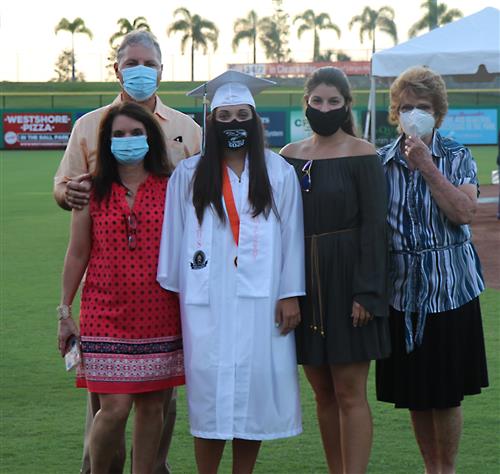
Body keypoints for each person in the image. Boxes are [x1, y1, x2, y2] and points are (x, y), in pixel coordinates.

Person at [53, 30, 200, 474]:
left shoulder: (187, 130)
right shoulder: (89, 126)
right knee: (108, 411)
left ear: (161, 69)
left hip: (161, 302)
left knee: (159, 410)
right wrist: (72, 197)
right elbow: (65, 193)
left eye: (148, 63)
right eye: (130, 63)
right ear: (116, 68)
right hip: (106, 302)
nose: (139, 71)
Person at [157, 70, 305, 474]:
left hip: (263, 302)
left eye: (242, 115)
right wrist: (176, 297)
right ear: (211, 122)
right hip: (205, 303)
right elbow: (173, 242)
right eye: (224, 117)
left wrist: (290, 292)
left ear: (255, 123)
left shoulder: (278, 173)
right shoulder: (188, 176)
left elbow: (292, 237)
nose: (233, 123)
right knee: (208, 395)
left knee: (252, 393)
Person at [375, 66, 488, 474]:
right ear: (395, 112)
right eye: (406, 107)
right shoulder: (380, 162)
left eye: (422, 107)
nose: (413, 115)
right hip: (402, 294)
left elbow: (464, 211)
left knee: (448, 394)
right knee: (417, 394)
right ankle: (431, 469)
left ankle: (448, 469)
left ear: (437, 112)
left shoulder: (456, 155)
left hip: (450, 289)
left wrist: (426, 164)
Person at [280, 66, 390, 474]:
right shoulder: (288, 156)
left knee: (348, 391)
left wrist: (368, 292)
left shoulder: (363, 154)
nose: (324, 108)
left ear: (346, 106)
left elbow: (375, 228)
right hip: (304, 283)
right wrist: (285, 290)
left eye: (333, 102)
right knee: (322, 393)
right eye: (317, 101)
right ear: (305, 103)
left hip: (349, 284)